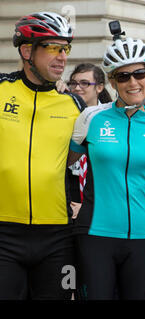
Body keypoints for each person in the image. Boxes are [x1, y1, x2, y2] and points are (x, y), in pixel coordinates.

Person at [69, 31, 145, 299]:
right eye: (123, 76)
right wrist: (71, 201)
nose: (133, 82)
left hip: (144, 235)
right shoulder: (91, 118)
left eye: (139, 74)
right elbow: (64, 166)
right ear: (113, 81)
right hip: (95, 233)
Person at [0, 11, 86, 300]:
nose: (62, 57)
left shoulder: (74, 103)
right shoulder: (1, 90)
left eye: (65, 49)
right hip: (3, 234)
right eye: (52, 48)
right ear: (27, 51)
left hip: (58, 238)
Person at [66, 63, 113, 218]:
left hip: (102, 207)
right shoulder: (64, 115)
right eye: (73, 83)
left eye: (84, 83)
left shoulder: (111, 119)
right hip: (69, 205)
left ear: (99, 87)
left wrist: (87, 208)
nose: (77, 88)